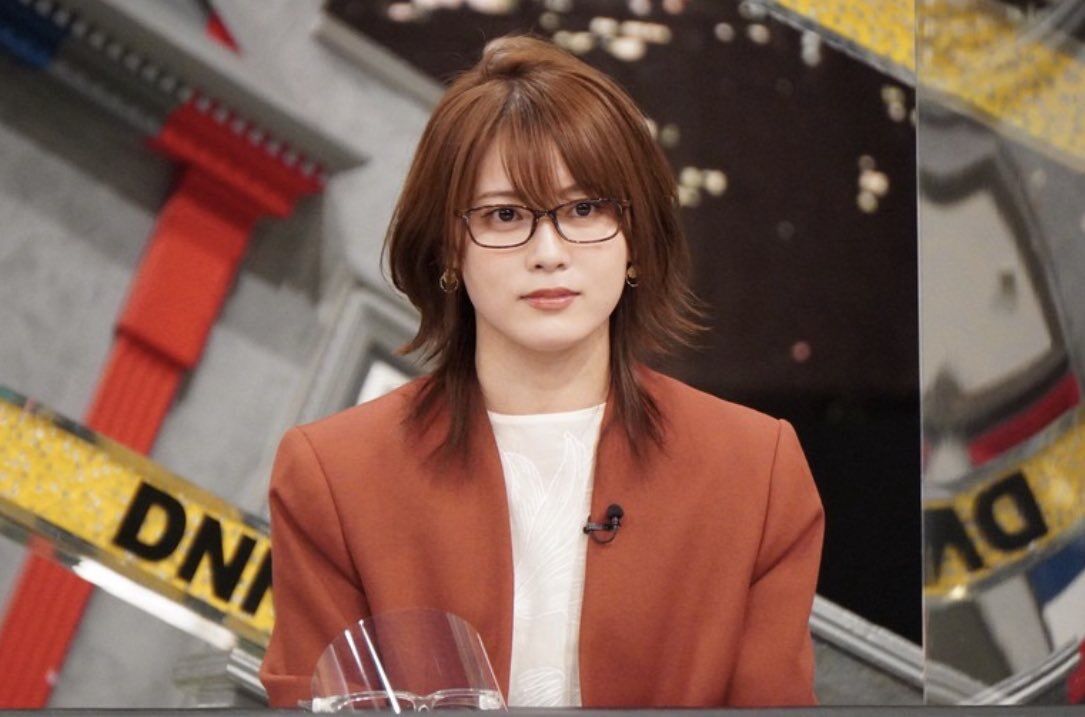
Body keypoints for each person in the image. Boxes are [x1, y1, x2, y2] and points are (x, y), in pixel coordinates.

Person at [260, 34, 823, 708]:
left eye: (584, 209)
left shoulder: (755, 470)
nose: (548, 251)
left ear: (636, 240)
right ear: (448, 248)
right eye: (504, 215)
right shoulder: (334, 475)